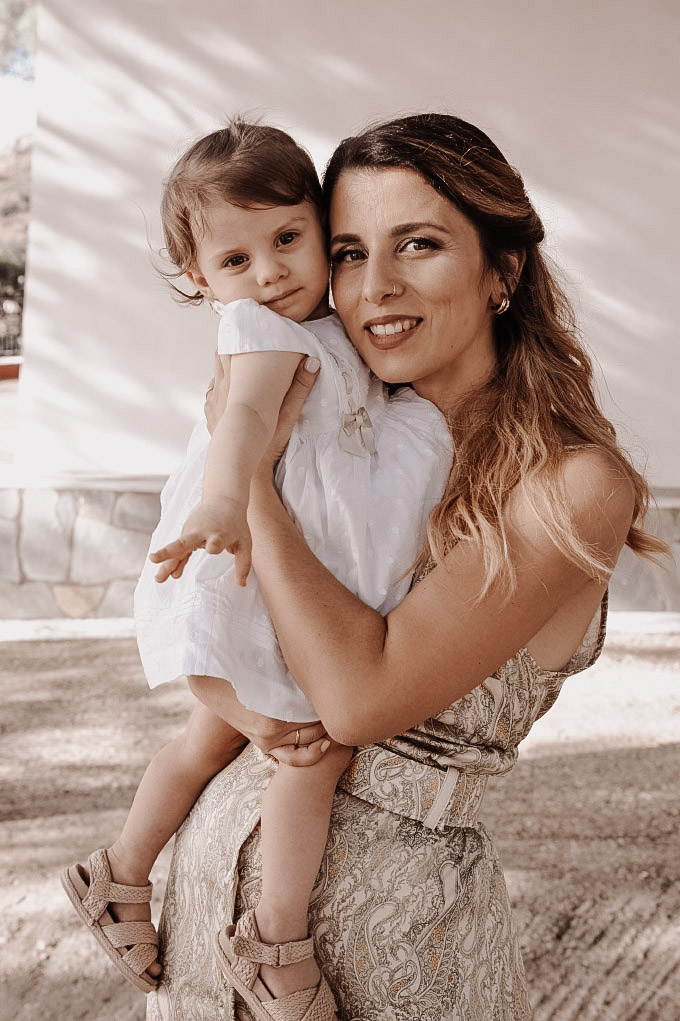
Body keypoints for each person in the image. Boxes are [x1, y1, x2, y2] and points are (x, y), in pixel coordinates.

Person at [143, 112, 667, 1021]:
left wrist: (253, 480)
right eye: (348, 252)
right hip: (206, 933)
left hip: (395, 958)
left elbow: (357, 699)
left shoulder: (572, 484)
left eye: (418, 244)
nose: (375, 286)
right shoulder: (342, 438)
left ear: (503, 270)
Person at [60, 120, 452, 1021]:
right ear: (201, 280)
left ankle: (119, 869)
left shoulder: (331, 328)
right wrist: (223, 503)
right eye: (237, 260)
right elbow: (241, 422)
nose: (270, 272)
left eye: (287, 238)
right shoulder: (262, 330)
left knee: (208, 737)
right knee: (314, 750)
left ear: (320, 227)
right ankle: (276, 941)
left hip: (273, 565)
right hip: (238, 557)